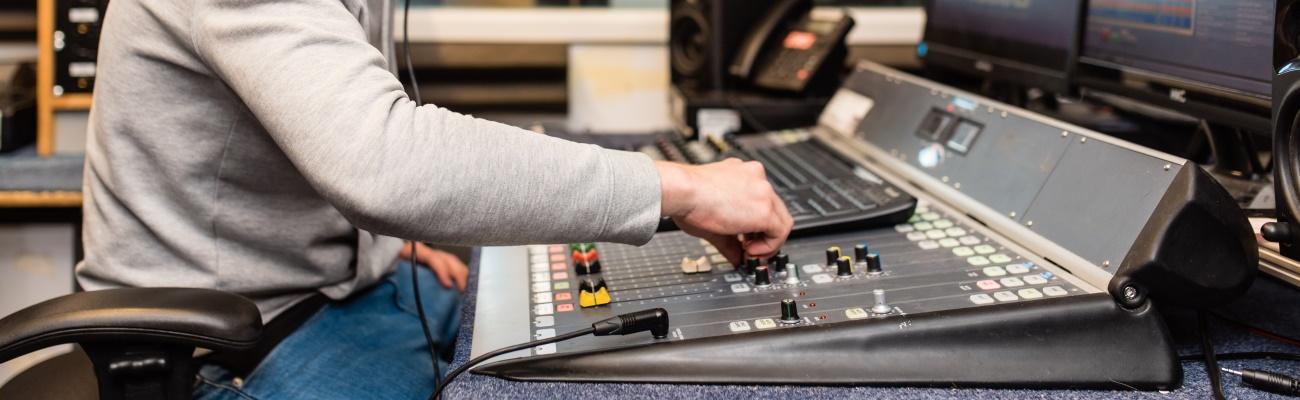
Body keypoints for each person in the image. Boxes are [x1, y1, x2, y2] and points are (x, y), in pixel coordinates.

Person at [75, 0, 793, 398]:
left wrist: (389, 240)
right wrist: (681, 187)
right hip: (229, 347)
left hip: (340, 292)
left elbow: (326, 132)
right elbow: (383, 158)